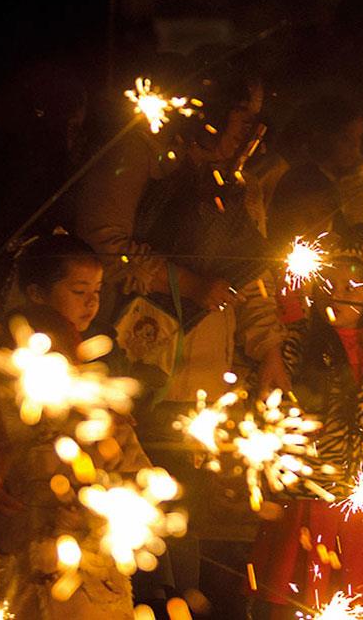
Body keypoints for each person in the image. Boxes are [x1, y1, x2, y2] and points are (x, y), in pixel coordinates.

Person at [75, 63, 289, 616]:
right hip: (140, 369)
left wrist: (269, 352)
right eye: (243, 116)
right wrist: (187, 283)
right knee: (147, 534)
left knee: (186, 531)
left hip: (206, 388)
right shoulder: (146, 157)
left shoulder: (240, 182)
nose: (251, 131)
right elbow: (103, 244)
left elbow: (251, 275)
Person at [248, 235, 363, 619]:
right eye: (331, 286)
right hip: (310, 497)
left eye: (352, 288)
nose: (339, 295)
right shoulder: (298, 345)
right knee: (299, 592)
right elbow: (271, 399)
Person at [0, 231, 150, 620]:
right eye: (79, 291)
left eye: (96, 290)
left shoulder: (99, 413)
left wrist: (97, 508)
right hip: (21, 581)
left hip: (91, 590)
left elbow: (137, 480)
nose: (92, 302)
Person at [266, 95, 363, 246]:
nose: (355, 147)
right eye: (345, 139)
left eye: (358, 139)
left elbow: (355, 232)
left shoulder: (353, 179)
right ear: (321, 137)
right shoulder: (296, 178)